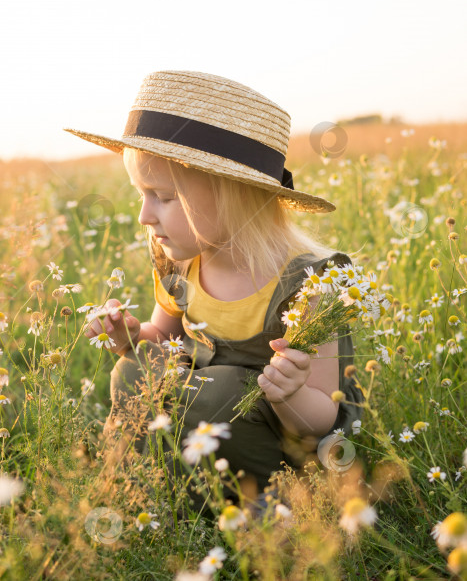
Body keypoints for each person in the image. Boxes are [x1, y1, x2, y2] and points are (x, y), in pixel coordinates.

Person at [64, 69, 363, 511]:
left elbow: (320, 421)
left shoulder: (309, 284)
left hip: (286, 448)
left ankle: (270, 509)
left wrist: (291, 391)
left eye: (162, 196)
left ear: (232, 195)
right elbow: (162, 342)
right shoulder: (180, 261)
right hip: (206, 427)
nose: (145, 215)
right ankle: (135, 482)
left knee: (224, 391)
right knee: (134, 368)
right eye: (140, 194)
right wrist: (129, 336)